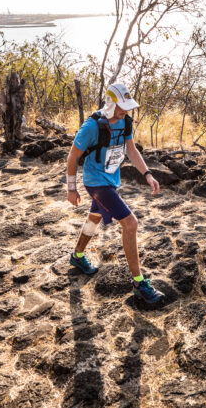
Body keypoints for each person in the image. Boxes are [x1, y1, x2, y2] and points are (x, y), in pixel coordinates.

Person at [65, 82, 165, 304]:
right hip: (95, 183)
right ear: (110, 103)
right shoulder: (91, 127)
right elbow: (72, 157)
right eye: (122, 107)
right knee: (130, 224)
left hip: (111, 180)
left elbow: (131, 149)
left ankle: (77, 256)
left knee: (95, 217)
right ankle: (139, 283)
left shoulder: (126, 122)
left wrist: (147, 174)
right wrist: (71, 188)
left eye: (128, 107)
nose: (125, 111)